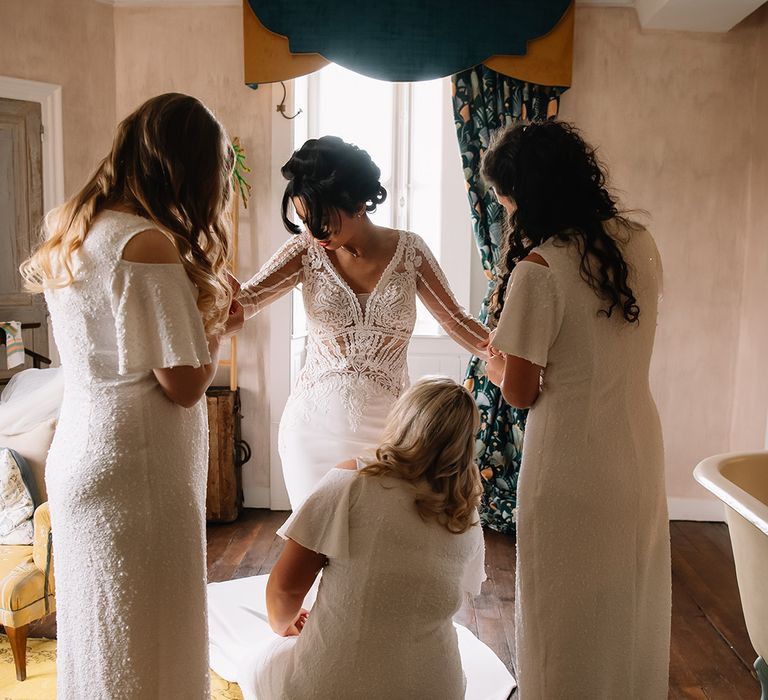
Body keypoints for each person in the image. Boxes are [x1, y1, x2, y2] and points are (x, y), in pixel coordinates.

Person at [20, 93, 243, 699]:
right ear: (185, 168)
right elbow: (185, 385)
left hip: (83, 454)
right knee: (152, 634)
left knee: (100, 632)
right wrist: (221, 314)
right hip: (135, 470)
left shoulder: (74, 229)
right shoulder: (146, 243)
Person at [483, 120, 670, 698]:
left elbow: (519, 391)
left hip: (570, 459)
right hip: (638, 444)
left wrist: (494, 359)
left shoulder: (540, 270)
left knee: (561, 602)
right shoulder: (639, 243)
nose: (507, 211)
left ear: (528, 194)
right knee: (630, 592)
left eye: (506, 198)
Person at [220, 378, 515, 699]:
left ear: (404, 418)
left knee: (257, 663)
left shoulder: (351, 482)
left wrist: (283, 628)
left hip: (335, 686)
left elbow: (285, 590)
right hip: (437, 687)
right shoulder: (465, 511)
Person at [237, 135, 489, 507]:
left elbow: (455, 320)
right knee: (315, 543)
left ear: (356, 202)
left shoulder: (410, 251)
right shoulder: (304, 250)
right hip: (312, 431)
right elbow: (246, 299)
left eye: (321, 219)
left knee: (376, 543)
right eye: (305, 221)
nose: (314, 232)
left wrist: (503, 351)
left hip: (389, 433)